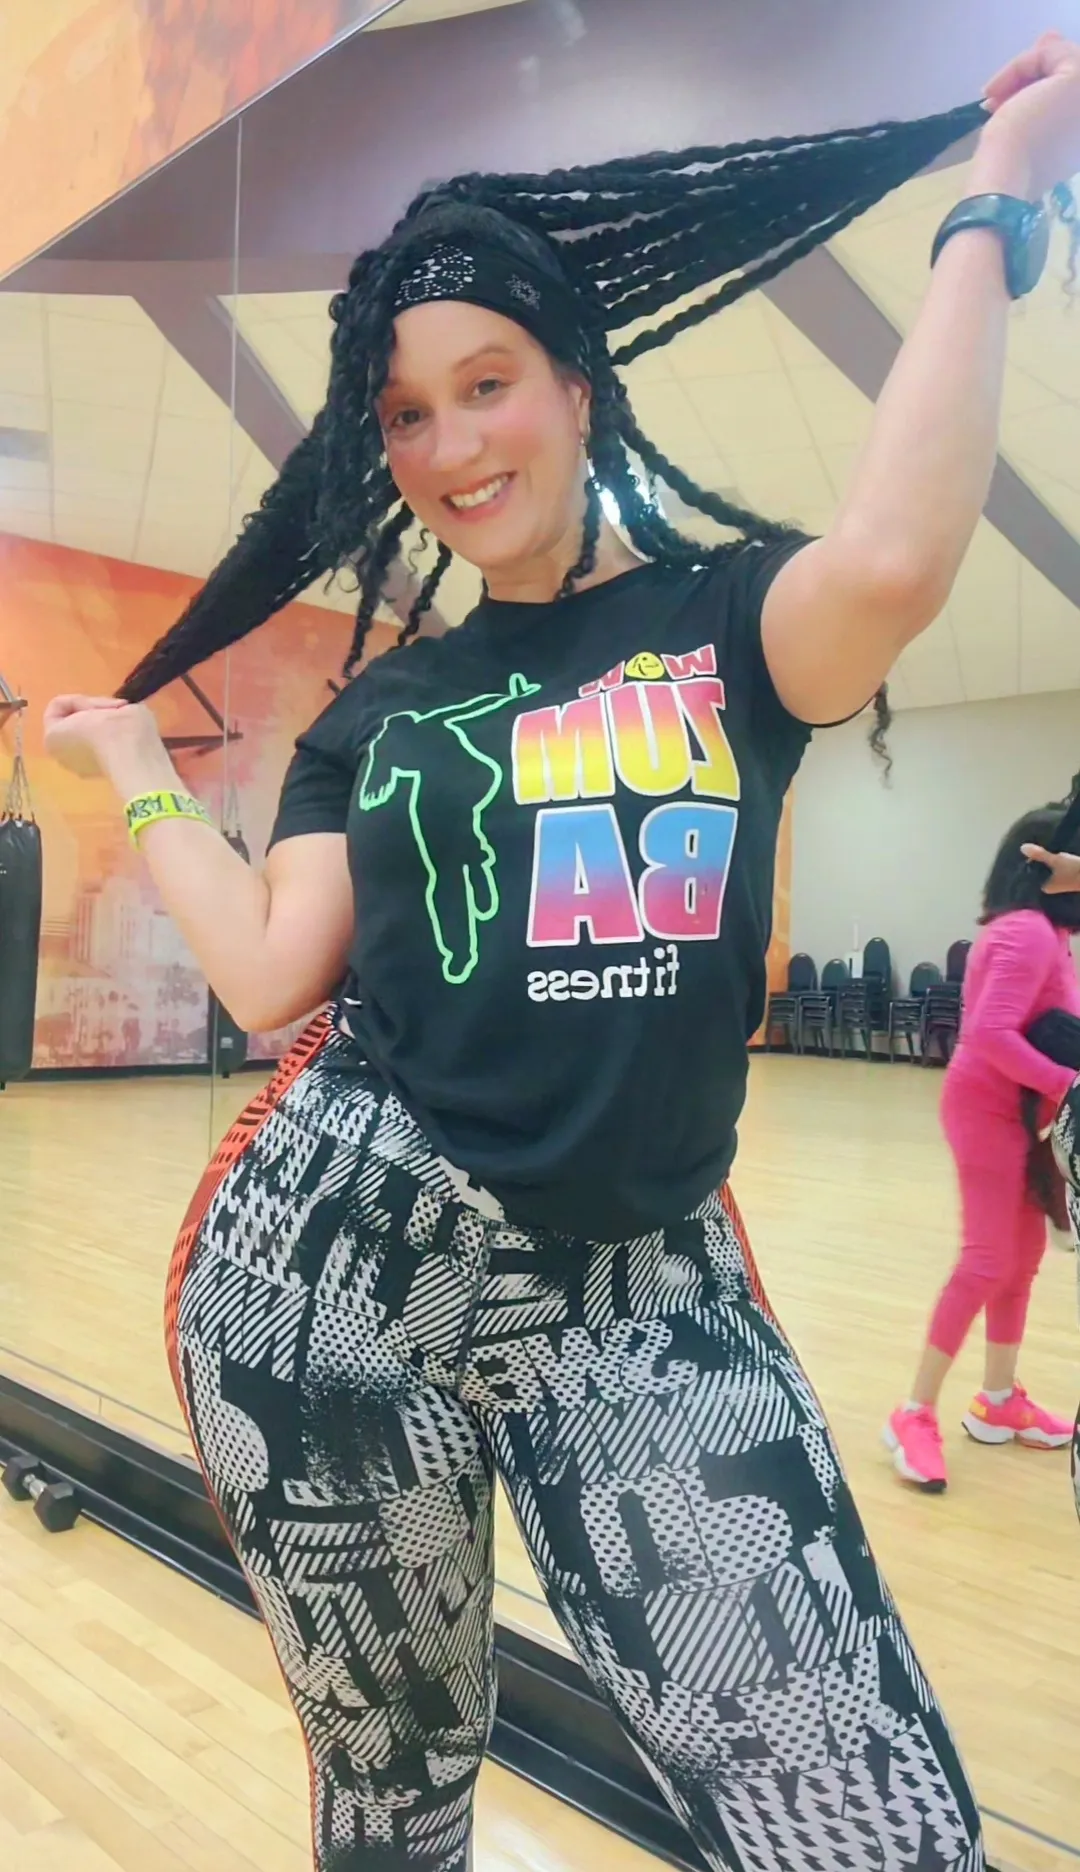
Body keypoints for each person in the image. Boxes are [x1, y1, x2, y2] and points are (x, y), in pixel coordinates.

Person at [41, 32, 1080, 1872]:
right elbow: (273, 970)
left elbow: (899, 558)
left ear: (579, 387)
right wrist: (137, 770)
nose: (450, 447)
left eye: (487, 385)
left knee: (868, 1826)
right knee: (395, 1800)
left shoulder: (722, 621)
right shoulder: (384, 706)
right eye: (406, 417)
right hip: (328, 1269)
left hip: (641, 1297)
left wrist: (994, 208)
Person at [885, 802, 1080, 1494]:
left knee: (1022, 1261)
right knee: (988, 1259)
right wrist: (1069, 1083)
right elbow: (990, 1035)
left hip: (1023, 1113)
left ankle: (998, 1401)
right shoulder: (1026, 933)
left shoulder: (1048, 934)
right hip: (986, 1110)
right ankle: (912, 1413)